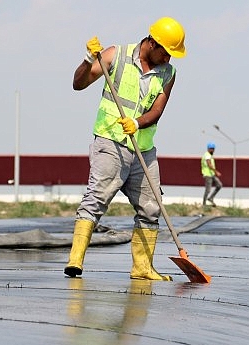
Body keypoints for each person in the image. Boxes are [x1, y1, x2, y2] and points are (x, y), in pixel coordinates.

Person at [64, 17, 186, 281]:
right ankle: (75, 261)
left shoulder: (169, 73)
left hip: (143, 149)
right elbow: (78, 84)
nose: (168, 58)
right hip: (110, 143)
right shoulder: (114, 56)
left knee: (152, 208)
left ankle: (142, 269)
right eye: (166, 52)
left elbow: (156, 111)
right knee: (96, 200)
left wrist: (136, 122)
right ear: (152, 43)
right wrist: (87, 61)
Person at [201, 142, 222, 207]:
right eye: (211, 149)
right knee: (208, 189)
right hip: (207, 174)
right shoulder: (207, 155)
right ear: (208, 149)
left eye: (213, 149)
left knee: (219, 185)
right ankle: (204, 204)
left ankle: (210, 198)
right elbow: (209, 165)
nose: (213, 150)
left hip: (212, 174)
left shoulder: (210, 155)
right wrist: (216, 172)